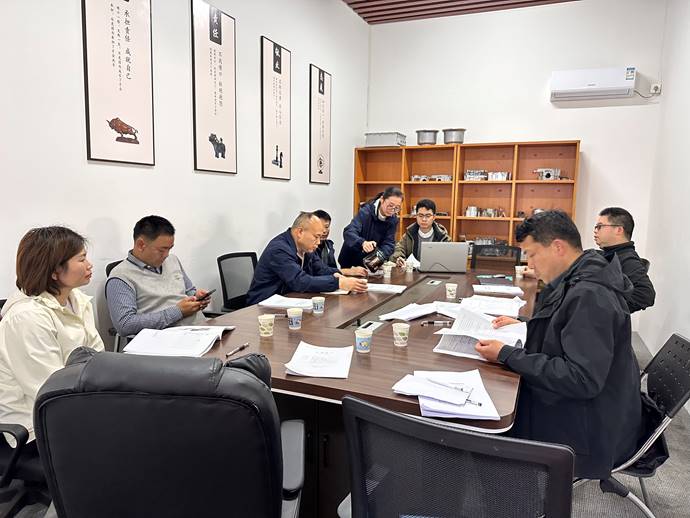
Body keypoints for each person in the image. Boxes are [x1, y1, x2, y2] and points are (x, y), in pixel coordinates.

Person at [475, 211, 641, 479]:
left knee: (489, 420)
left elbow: (581, 378)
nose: (530, 264)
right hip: (589, 408)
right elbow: (567, 328)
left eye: (532, 254)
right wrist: (526, 323)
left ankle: (509, 491)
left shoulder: (590, 295)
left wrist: (507, 354)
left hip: (589, 430)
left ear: (557, 247)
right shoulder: (581, 275)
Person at [0, 226, 105, 444]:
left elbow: (98, 357)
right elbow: (49, 388)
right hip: (35, 426)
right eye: (81, 259)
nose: (89, 265)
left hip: (77, 403)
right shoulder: (27, 317)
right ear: (54, 270)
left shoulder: (77, 300)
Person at [106, 216, 211, 337]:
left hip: (202, 329)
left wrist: (197, 298)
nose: (166, 255)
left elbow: (189, 291)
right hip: (168, 339)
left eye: (169, 249)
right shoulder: (121, 277)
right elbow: (125, 325)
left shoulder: (173, 260)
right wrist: (178, 312)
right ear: (141, 245)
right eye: (162, 250)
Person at [247, 212, 368, 305]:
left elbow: (321, 269)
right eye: (316, 237)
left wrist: (339, 275)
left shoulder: (305, 247)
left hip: (288, 301)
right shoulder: (279, 249)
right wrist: (338, 283)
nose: (319, 242)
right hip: (262, 306)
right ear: (300, 232)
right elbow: (299, 281)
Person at [594, 207, 655, 313]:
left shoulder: (627, 259)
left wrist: (605, 309)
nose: (595, 231)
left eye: (600, 226)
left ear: (619, 230)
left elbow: (645, 295)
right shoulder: (609, 255)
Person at [338, 186, 403, 268]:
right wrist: (363, 243)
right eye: (390, 205)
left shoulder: (393, 219)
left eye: (397, 208)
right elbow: (349, 232)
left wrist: (377, 259)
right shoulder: (366, 212)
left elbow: (389, 244)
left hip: (371, 263)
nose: (392, 210)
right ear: (382, 199)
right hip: (351, 261)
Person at [389, 198, 450, 266]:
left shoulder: (443, 237)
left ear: (434, 217)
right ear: (416, 216)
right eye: (420, 215)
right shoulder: (409, 233)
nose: (424, 219)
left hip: (435, 271)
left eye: (428, 216)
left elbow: (448, 258)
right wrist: (399, 258)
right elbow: (399, 249)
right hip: (413, 271)